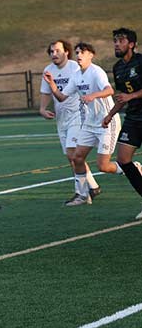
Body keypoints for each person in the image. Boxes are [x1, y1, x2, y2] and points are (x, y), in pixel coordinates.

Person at [44, 42, 122, 206]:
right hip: (90, 123)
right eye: (78, 52)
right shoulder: (76, 75)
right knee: (77, 158)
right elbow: (61, 97)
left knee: (103, 166)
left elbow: (110, 91)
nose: (79, 55)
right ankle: (82, 194)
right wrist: (52, 84)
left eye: (83, 52)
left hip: (106, 121)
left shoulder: (96, 71)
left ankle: (132, 167)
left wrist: (93, 96)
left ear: (91, 55)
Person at [40, 40, 99, 200]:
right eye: (51, 52)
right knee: (71, 157)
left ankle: (82, 193)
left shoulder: (75, 67)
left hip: (77, 115)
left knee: (75, 155)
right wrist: (43, 109)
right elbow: (46, 92)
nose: (54, 54)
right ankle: (93, 186)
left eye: (57, 51)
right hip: (61, 118)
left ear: (66, 52)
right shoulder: (48, 70)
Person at [101, 27, 142, 220]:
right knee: (123, 160)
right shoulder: (118, 68)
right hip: (133, 118)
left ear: (131, 44)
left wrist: (131, 96)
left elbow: (128, 95)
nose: (116, 44)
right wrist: (110, 115)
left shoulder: (140, 62)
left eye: (121, 40)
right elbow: (121, 97)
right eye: (115, 40)